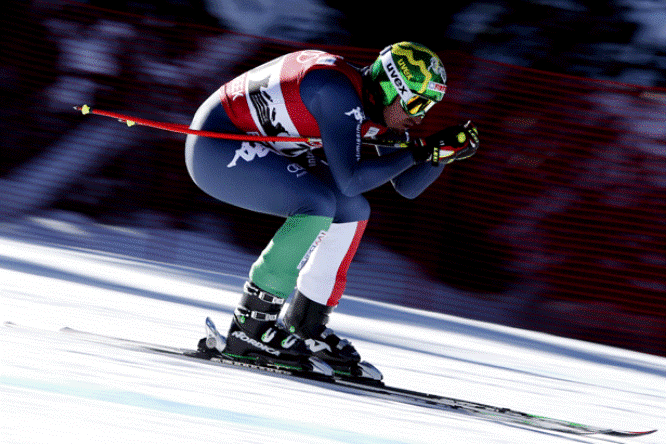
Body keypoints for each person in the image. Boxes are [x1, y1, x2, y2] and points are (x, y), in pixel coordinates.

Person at [184, 42, 479, 376]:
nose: (420, 115)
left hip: (264, 143)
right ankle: (251, 325)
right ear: (388, 85)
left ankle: (304, 324)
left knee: (353, 209)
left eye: (428, 106)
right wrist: (421, 151)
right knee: (318, 204)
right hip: (216, 143)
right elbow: (352, 179)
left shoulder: (371, 104)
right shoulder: (337, 93)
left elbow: (406, 188)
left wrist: (440, 154)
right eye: (415, 101)